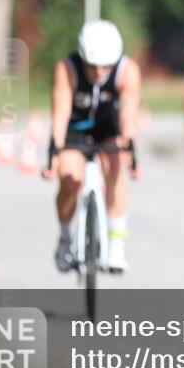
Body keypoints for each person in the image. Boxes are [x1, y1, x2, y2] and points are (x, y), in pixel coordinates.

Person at [42, 20, 141, 273]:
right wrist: (53, 153)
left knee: (115, 170)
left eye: (105, 67)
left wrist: (131, 152)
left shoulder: (128, 70)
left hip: (108, 127)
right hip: (75, 128)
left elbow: (129, 112)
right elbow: (61, 112)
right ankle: (65, 237)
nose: (99, 73)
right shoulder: (67, 68)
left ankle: (117, 246)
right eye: (93, 66)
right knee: (69, 178)